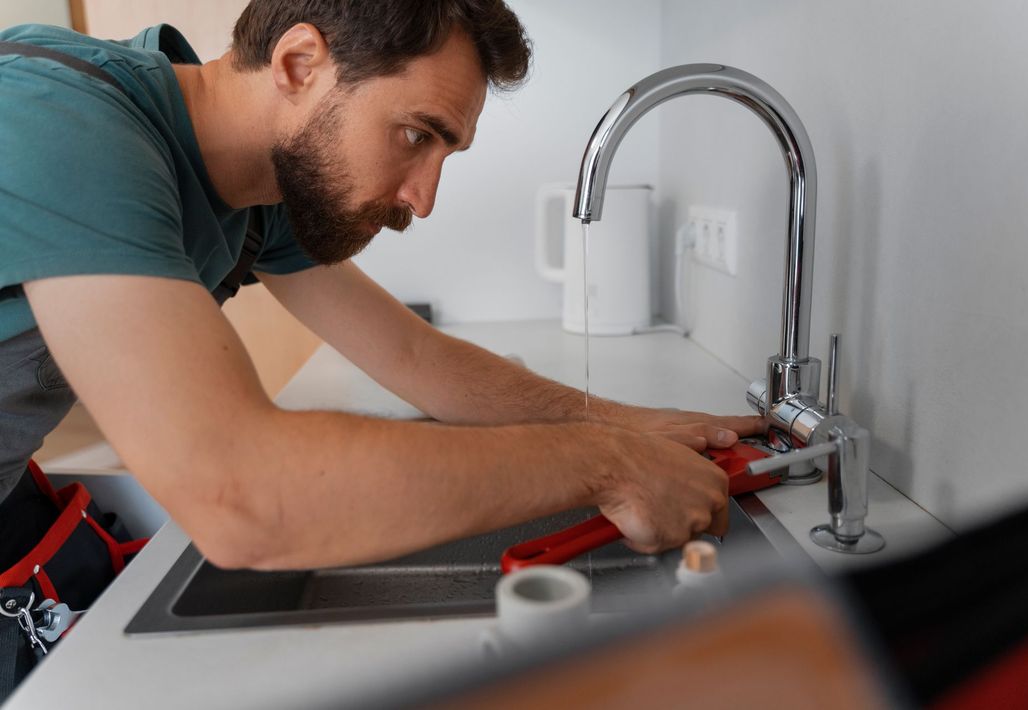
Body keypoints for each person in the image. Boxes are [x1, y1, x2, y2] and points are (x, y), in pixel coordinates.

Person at [0, 0, 763, 587]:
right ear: (300, 65)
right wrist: (604, 461)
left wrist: (639, 428)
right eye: (415, 134)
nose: (423, 198)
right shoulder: (62, 121)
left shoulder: (259, 191)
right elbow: (240, 497)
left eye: (445, 151)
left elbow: (413, 356)